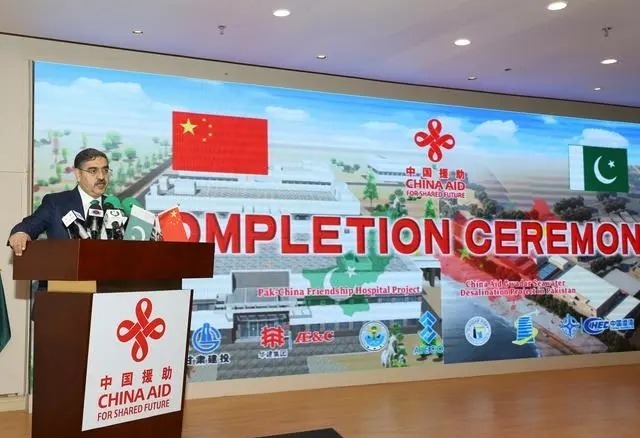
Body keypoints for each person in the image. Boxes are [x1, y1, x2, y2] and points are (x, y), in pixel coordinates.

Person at [7, 148, 110, 256]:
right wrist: (21, 234)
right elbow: (29, 226)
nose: (101, 177)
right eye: (93, 171)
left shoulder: (115, 207)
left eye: (105, 170)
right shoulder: (56, 203)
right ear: (78, 174)